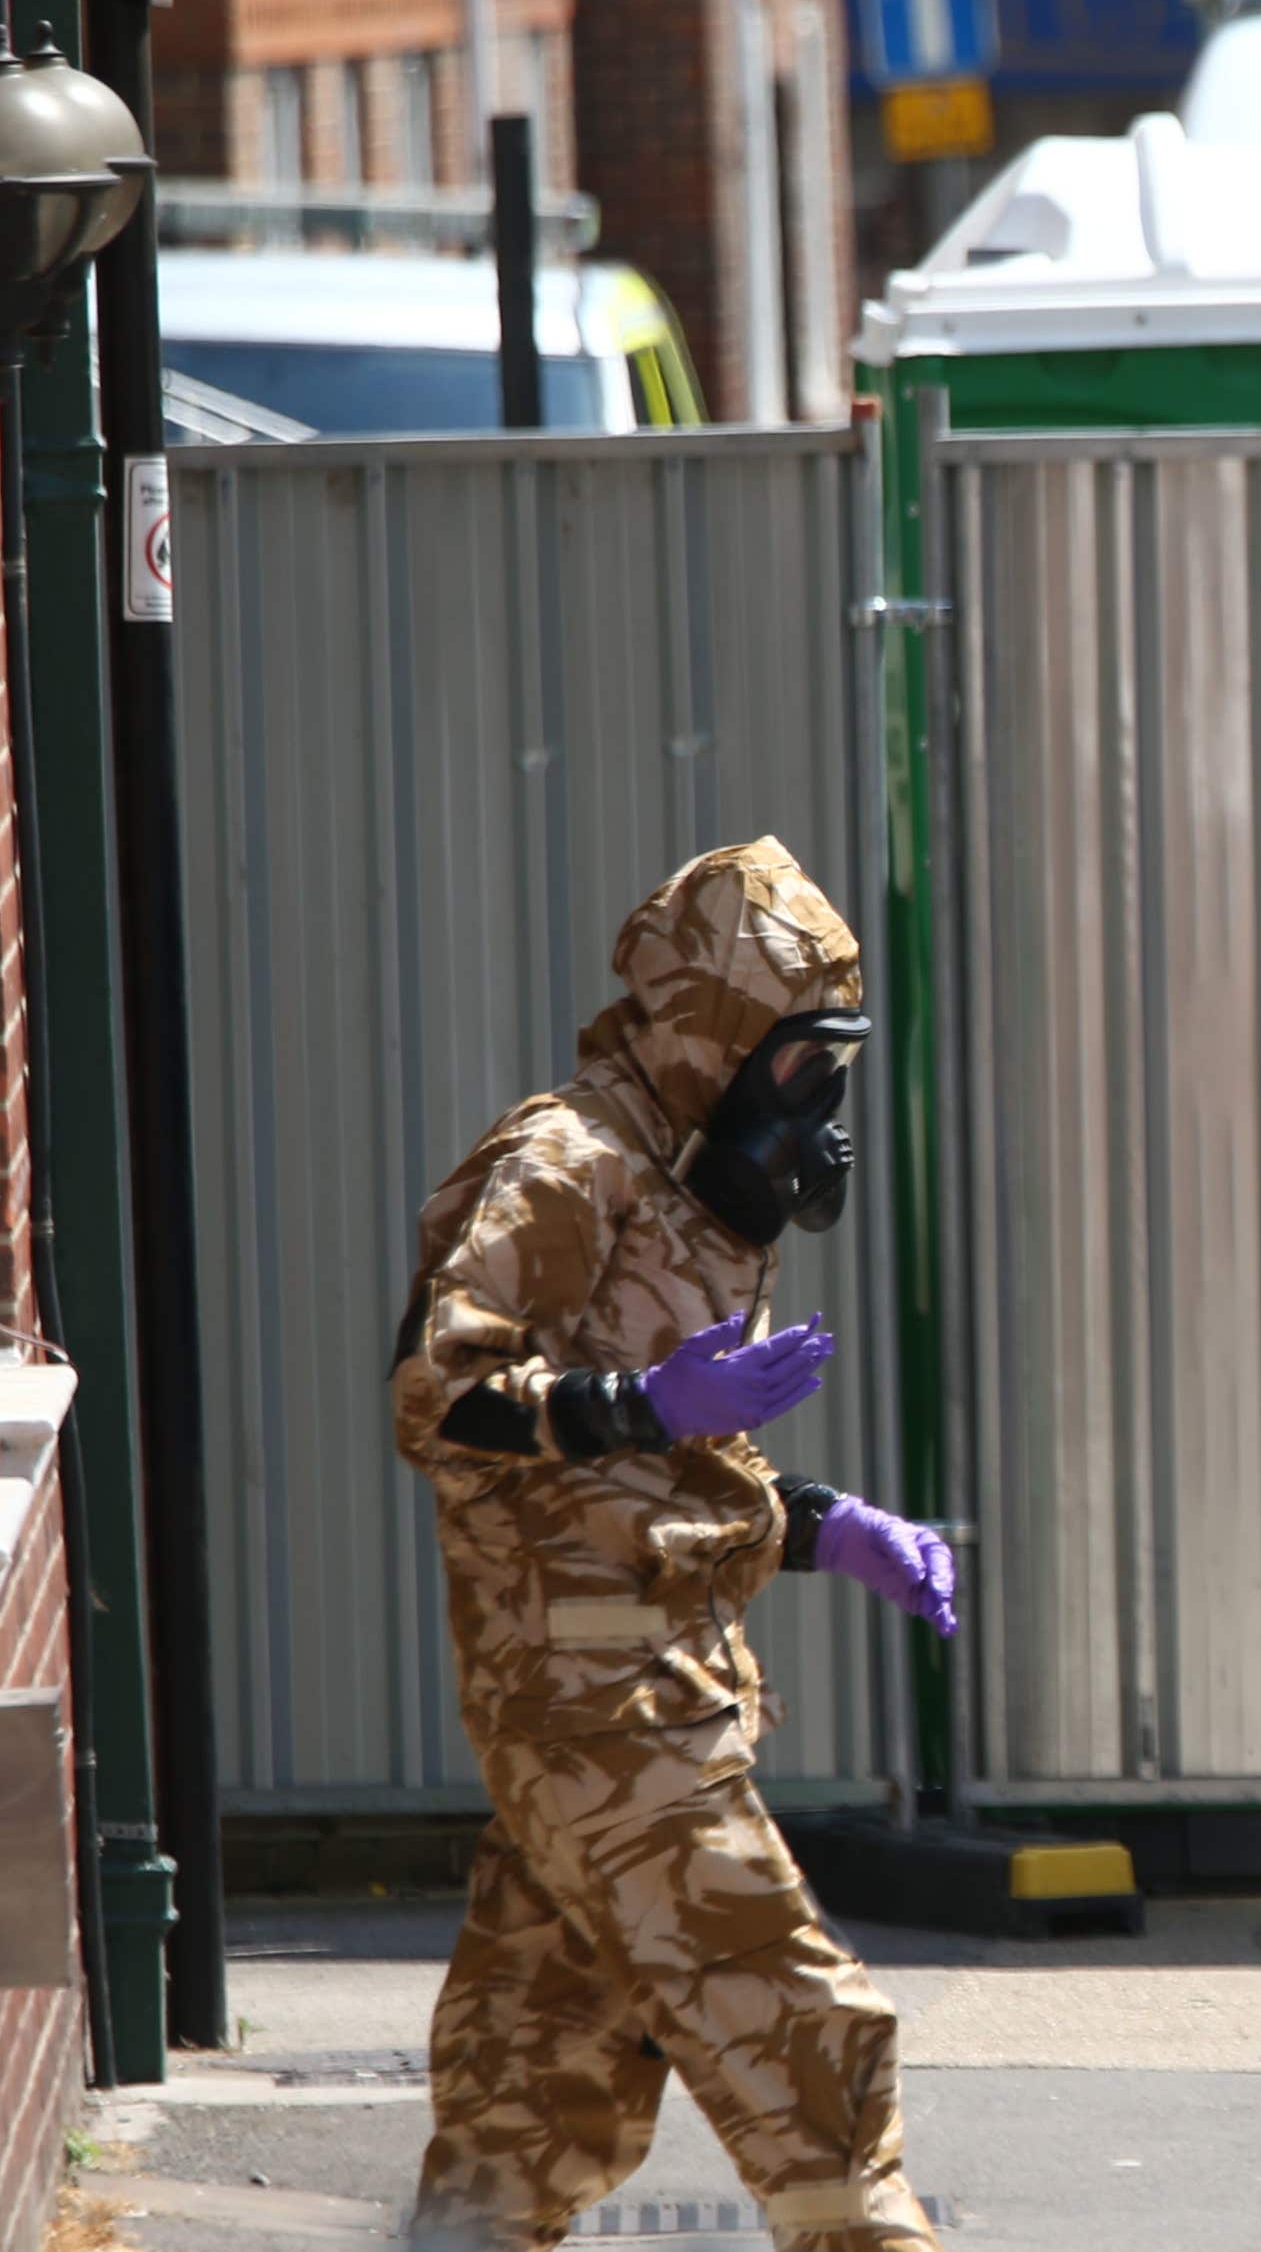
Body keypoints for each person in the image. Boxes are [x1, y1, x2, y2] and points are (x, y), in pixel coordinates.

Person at [395, 839, 957, 2252]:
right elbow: (438, 1393)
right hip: (595, 1710)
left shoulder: (682, 1191)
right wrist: (641, 1396)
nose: (814, 1105)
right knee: (801, 2032)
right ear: (713, 1029)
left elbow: (676, 1471)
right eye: (795, 1062)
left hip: (632, 1698)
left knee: (531, 2094)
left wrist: (828, 1527)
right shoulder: (565, 1165)